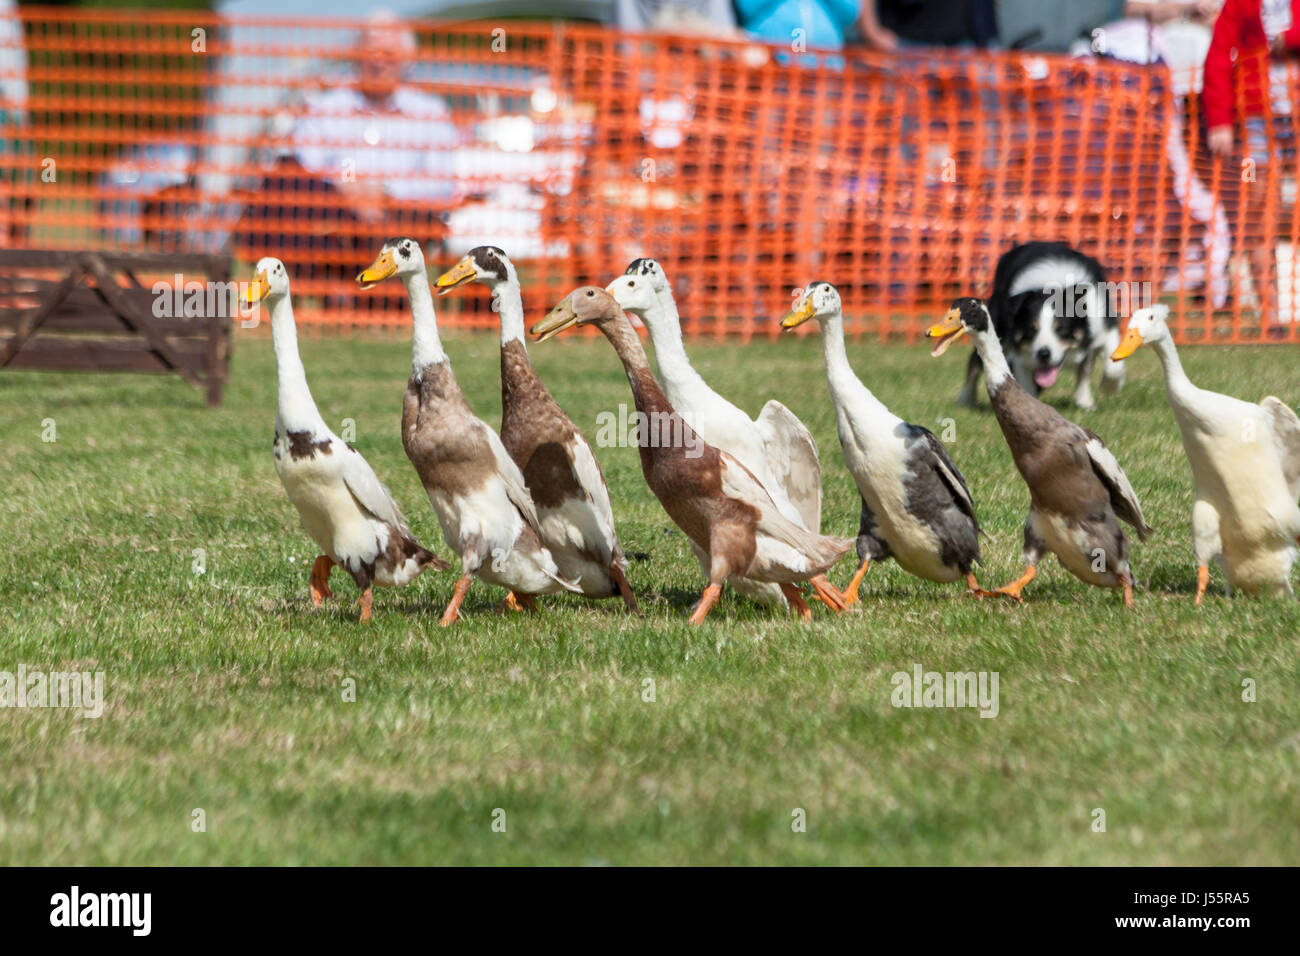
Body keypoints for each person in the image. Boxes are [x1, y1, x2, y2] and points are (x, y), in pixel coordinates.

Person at [237, 11, 460, 310]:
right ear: (356, 55)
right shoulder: (326, 106)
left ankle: (355, 288)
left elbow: (443, 183)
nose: (379, 60)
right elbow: (305, 163)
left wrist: (386, 193)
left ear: (408, 57)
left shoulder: (431, 112)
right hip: (336, 210)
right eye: (371, 51)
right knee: (283, 182)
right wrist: (346, 188)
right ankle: (336, 282)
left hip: (401, 217)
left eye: (389, 52)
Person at [1203, 0, 1300, 326]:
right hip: (1256, 121)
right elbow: (1218, 55)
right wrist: (1219, 120)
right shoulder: (1240, 4)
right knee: (1258, 211)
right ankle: (1270, 316)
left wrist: (1291, 38)